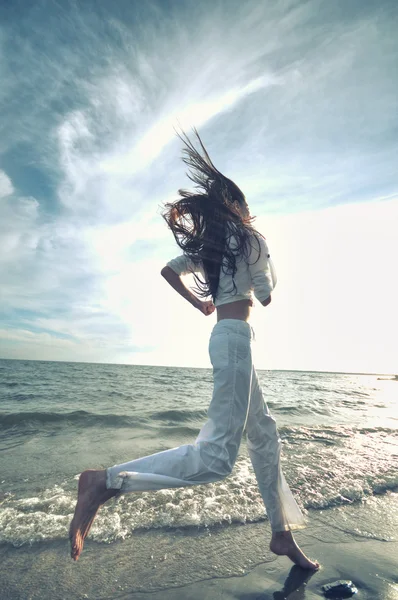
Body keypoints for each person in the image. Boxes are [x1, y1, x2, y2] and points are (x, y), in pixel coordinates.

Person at [69, 129, 319, 570]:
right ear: (236, 206)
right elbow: (265, 297)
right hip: (236, 341)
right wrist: (267, 270)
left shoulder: (212, 247)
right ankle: (102, 482)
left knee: (263, 432)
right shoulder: (253, 240)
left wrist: (199, 302)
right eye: (243, 206)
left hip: (226, 339)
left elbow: (168, 269)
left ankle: (281, 535)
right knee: (218, 458)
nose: (246, 211)